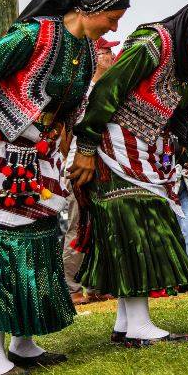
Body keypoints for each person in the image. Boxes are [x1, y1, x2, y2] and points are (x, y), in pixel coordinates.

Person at [0, 0, 129, 375]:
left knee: (35, 245)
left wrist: (65, 135)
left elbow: (71, 106)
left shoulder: (82, 52)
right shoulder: (30, 37)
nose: (114, 27)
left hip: (35, 156)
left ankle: (23, 343)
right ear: (88, 5)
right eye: (112, 17)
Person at [69, 0, 188, 346]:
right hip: (114, 148)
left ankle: (126, 323)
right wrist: (85, 147)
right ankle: (139, 324)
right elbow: (107, 90)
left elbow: (185, 116)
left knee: (132, 232)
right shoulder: (152, 44)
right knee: (137, 229)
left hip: (151, 153)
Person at [62, 36, 120, 305]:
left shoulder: (114, 86)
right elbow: (67, 129)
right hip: (79, 162)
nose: (109, 55)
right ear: (93, 55)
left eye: (110, 51)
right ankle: (71, 285)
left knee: (104, 225)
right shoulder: (82, 89)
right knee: (78, 224)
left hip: (108, 163)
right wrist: (69, 161)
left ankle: (98, 283)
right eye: (104, 50)